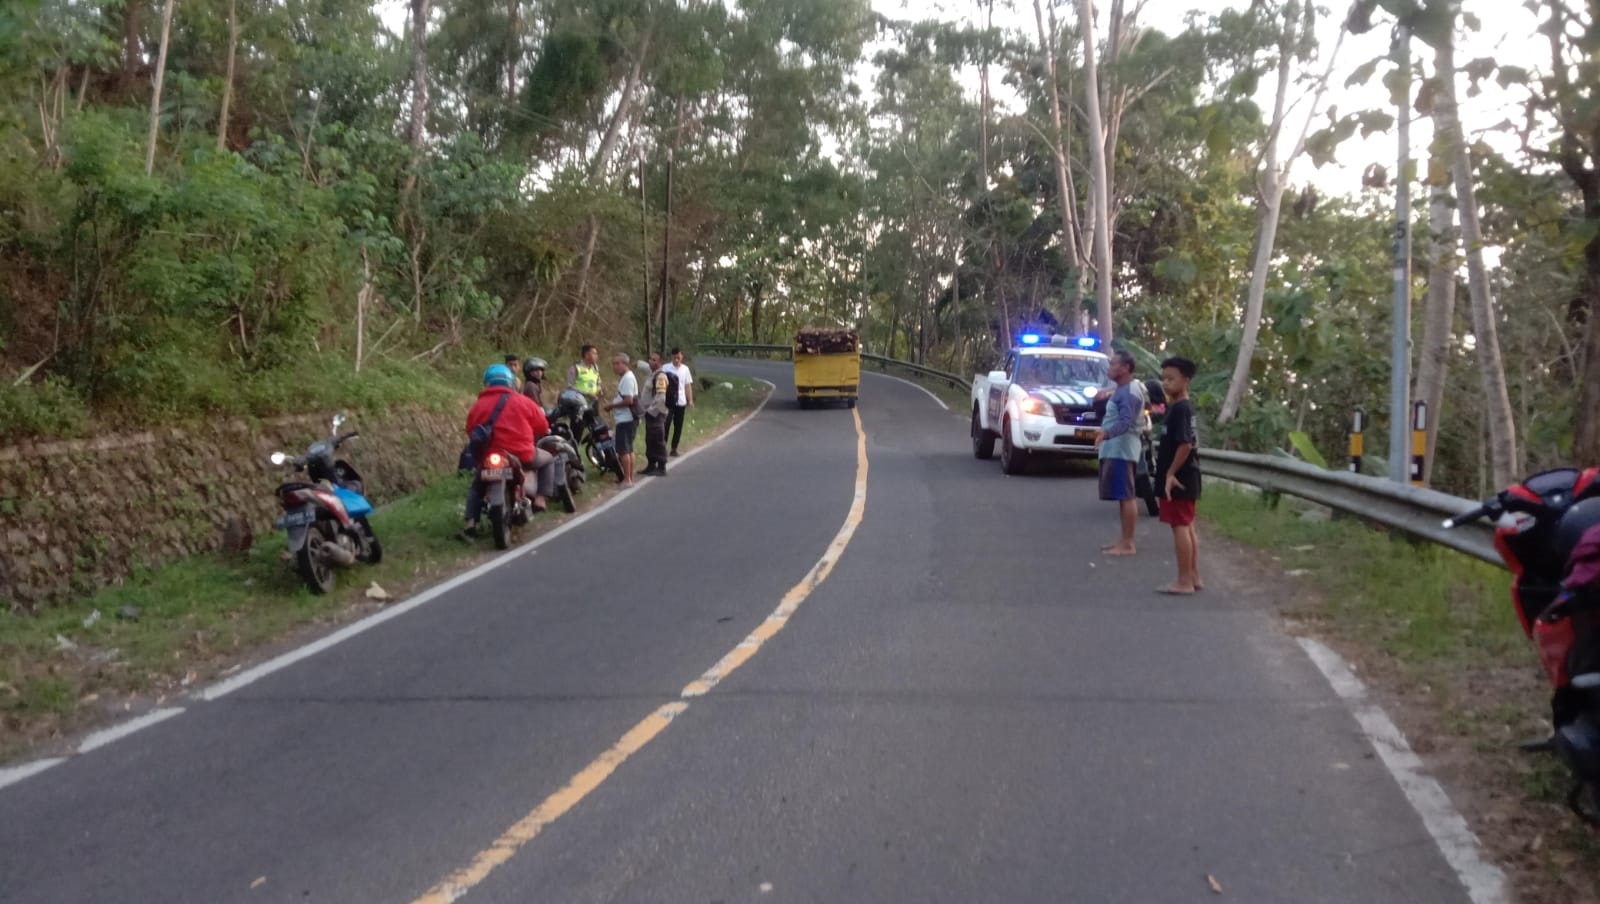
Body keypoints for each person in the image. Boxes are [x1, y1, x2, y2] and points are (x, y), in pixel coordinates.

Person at [459, 364, 557, 540]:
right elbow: (543, 425)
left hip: (490, 457)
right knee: (548, 459)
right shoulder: (522, 401)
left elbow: (471, 430)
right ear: (510, 382)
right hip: (522, 454)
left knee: (477, 485)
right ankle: (540, 500)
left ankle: (470, 524)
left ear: (487, 383)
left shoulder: (478, 405)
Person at [1154, 356, 1203, 594]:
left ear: (1185, 380)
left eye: (1171, 379)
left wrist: (1170, 473)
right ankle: (1193, 576)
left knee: (1180, 526)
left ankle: (1184, 581)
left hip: (1179, 477)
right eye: (1164, 378)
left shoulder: (1181, 408)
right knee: (1187, 524)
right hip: (1187, 475)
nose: (1166, 383)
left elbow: (1185, 444)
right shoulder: (1180, 407)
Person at [1094, 349, 1144, 556]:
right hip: (1116, 449)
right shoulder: (1122, 389)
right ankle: (1123, 540)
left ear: (1125, 368)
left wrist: (1106, 434)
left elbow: (1126, 422)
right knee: (1123, 495)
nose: (1110, 367)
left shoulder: (1129, 392)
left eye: (1114, 364)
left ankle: (1128, 544)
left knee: (1127, 495)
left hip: (1121, 449)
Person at [601, 352, 638, 487]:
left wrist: (611, 406)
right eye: (614, 364)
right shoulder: (625, 378)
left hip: (626, 419)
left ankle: (627, 479)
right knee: (629, 449)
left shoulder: (628, 378)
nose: (615, 367)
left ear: (625, 364)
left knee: (623, 450)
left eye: (618, 363)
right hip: (626, 418)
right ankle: (629, 477)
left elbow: (629, 400)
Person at [642, 352, 677, 476]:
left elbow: (661, 397)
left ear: (660, 362)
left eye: (654, 360)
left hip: (657, 413)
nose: (651, 362)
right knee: (650, 440)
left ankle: (661, 466)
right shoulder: (652, 374)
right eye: (650, 359)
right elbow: (644, 366)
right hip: (650, 414)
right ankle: (651, 464)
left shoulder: (661, 376)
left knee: (658, 440)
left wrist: (651, 411)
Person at [666, 348, 694, 456]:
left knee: (678, 426)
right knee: (666, 424)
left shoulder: (685, 369)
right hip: (669, 401)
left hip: (681, 401)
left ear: (682, 357)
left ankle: (674, 448)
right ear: (671, 357)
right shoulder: (666, 368)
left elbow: (687, 385)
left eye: (678, 357)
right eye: (674, 358)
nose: (676, 360)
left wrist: (690, 400)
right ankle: (663, 446)